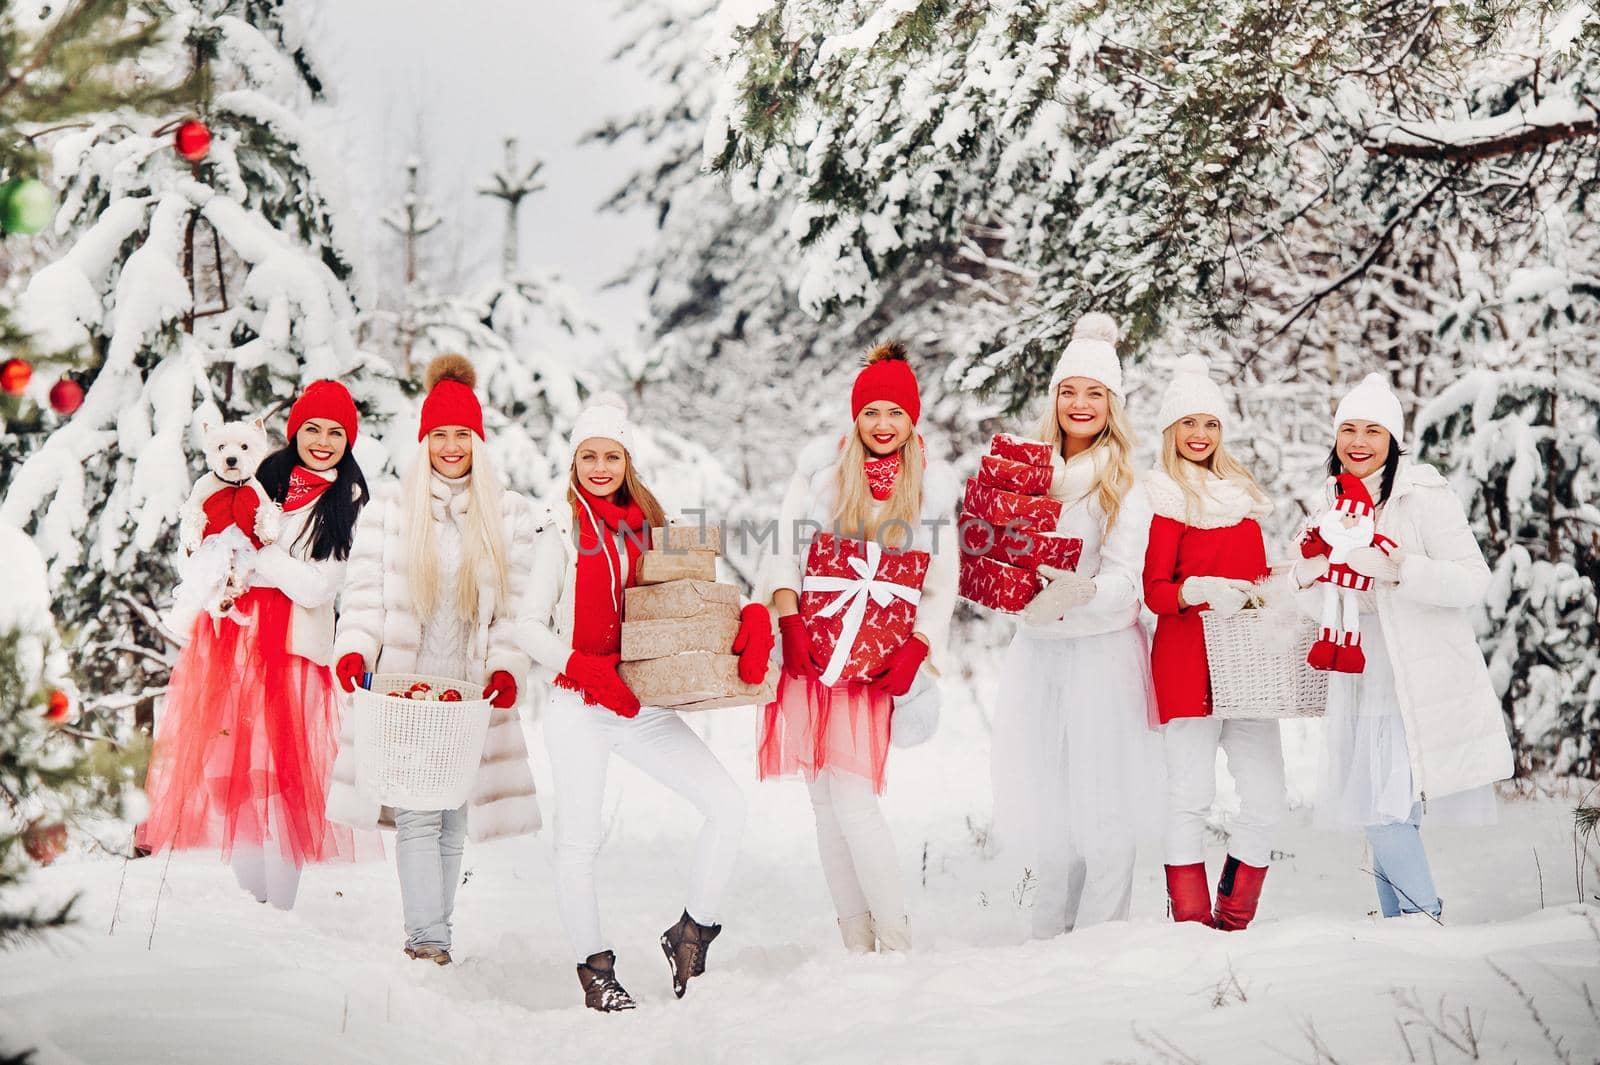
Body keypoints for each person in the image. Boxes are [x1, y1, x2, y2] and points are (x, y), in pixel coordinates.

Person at [517, 392, 770, 1010]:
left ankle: (692, 930)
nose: (599, 466)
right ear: (573, 460)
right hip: (579, 703)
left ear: (628, 460)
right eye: (588, 455)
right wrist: (581, 669)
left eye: (611, 455)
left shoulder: (654, 529)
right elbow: (525, 626)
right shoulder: (558, 527)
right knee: (578, 843)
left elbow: (696, 599)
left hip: (640, 703)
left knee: (727, 806)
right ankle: (593, 967)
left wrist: (748, 620)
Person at [326, 354, 541, 964]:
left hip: (471, 692)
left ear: (478, 441)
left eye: (462, 435)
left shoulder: (509, 514)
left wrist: (505, 666)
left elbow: (512, 611)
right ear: (424, 441)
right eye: (439, 435)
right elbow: (364, 597)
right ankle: (428, 941)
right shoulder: (392, 507)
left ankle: (434, 935)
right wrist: (354, 651)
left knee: (451, 816)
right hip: (403, 689)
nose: (451, 447)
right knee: (419, 812)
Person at [138, 380, 371, 909]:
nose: (322, 440)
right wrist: (210, 554)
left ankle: (280, 907)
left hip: (291, 651)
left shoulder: (346, 502)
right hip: (233, 640)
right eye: (312, 428)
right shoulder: (261, 473)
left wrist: (259, 558)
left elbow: (317, 586)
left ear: (348, 441)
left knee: (282, 777)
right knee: (230, 773)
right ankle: (253, 907)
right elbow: (204, 548)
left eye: (336, 432)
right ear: (293, 432)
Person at [757, 341, 958, 954]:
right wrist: (788, 623)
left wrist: (918, 647)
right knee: (822, 800)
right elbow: (781, 554)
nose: (883, 424)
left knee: (853, 797)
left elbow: (941, 584)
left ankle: (894, 940)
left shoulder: (932, 492)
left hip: (870, 668)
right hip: (810, 657)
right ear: (856, 418)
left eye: (895, 413)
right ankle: (855, 940)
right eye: (871, 412)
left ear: (912, 419)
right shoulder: (820, 477)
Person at [1292, 372, 1511, 922]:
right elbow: (1326, 602)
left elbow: (1472, 579)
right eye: (1348, 429)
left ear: (1393, 442)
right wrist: (1310, 575)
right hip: (1361, 676)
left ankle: (1423, 922)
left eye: (1372, 431)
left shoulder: (1423, 496)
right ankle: (1404, 933)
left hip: (1415, 673)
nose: (1358, 442)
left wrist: (1398, 569)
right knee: (1380, 813)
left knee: (1388, 813)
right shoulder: (1333, 506)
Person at [989, 313, 1163, 938]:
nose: (1080, 404)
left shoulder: (1124, 485)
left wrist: (1085, 590)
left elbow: (1129, 588)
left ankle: (1099, 941)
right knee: (1051, 804)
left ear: (1112, 404)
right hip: (1040, 656)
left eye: (1094, 393)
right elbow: (999, 553)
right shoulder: (1029, 477)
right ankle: (1046, 936)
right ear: (1054, 399)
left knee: (1103, 804)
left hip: (1100, 659)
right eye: (1069, 391)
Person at [1140, 354, 1283, 931]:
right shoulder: (1165, 499)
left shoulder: (1243, 497)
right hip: (1185, 662)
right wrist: (1194, 590)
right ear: (1170, 433)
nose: (1200, 436)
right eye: (1188, 425)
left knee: (1268, 797)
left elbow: (1259, 578)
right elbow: (1154, 591)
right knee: (1190, 797)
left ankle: (1235, 915)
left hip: (1249, 667)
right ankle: (1191, 924)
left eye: (1211, 425)